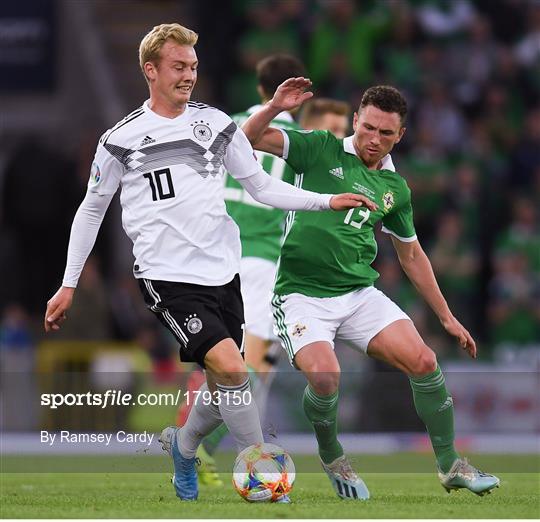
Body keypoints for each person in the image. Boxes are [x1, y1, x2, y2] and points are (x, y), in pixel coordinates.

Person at [43, 25, 372, 502]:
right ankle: (261, 465)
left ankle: (183, 446)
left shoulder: (216, 124)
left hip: (224, 272)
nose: (188, 76)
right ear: (150, 70)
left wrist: (325, 201)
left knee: (223, 387)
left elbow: (260, 186)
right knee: (236, 371)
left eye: (193, 67)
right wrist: (68, 282)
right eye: (178, 66)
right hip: (166, 277)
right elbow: (91, 209)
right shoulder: (121, 138)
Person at [241, 78, 500, 500]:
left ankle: (451, 464)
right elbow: (249, 138)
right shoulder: (320, 147)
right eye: (368, 128)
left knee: (423, 360)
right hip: (301, 294)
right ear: (355, 120)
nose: (373, 139)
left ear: (400, 136)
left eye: (385, 133)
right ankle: (332, 454)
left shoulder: (396, 190)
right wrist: (273, 106)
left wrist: (447, 317)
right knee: (326, 378)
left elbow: (412, 256)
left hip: (359, 294)